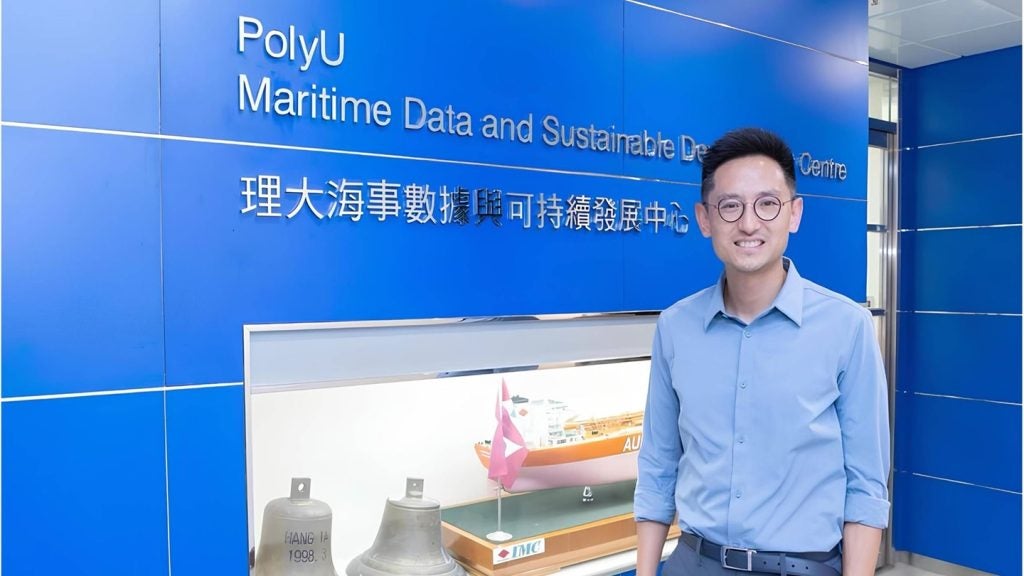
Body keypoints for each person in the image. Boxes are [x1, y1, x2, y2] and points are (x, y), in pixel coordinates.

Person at [633, 128, 890, 576]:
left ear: (794, 213)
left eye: (767, 204)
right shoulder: (675, 327)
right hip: (694, 562)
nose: (749, 224)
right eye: (730, 206)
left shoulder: (846, 326)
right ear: (704, 218)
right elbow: (658, 466)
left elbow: (866, 485)